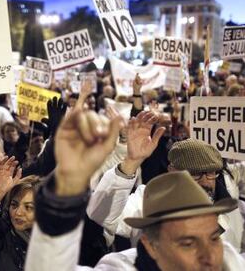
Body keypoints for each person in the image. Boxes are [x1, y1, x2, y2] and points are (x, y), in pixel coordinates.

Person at [24, 108, 245, 271]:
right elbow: (101, 216)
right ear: (151, 246)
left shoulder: (230, 259)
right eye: (187, 243)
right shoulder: (125, 262)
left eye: (214, 238)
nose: (209, 257)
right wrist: (67, 185)